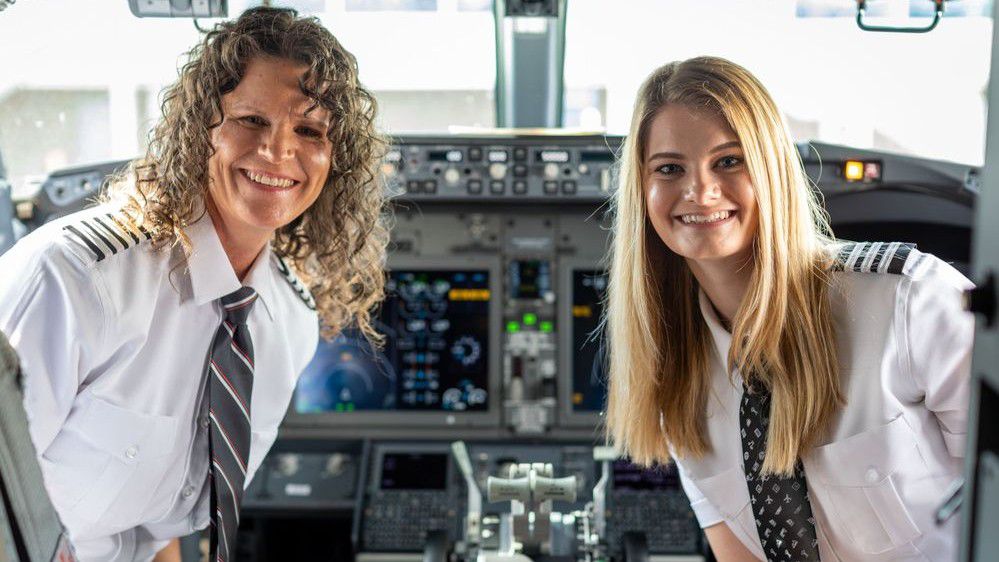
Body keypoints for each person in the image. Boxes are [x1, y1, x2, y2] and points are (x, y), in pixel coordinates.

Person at [0, 7, 388, 561]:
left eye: (309, 130)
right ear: (200, 126)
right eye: (252, 120)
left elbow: (159, 527)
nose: (279, 152)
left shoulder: (289, 322)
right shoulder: (72, 280)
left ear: (335, 158)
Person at [604, 56, 973, 562]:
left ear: (772, 168)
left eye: (729, 160)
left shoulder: (911, 299)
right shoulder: (676, 377)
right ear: (641, 192)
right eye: (669, 169)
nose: (699, 191)